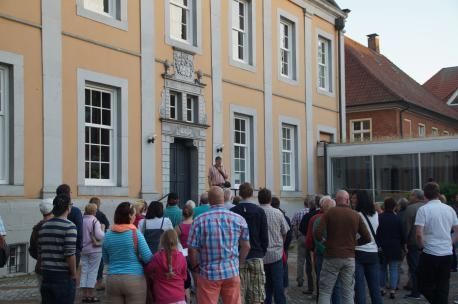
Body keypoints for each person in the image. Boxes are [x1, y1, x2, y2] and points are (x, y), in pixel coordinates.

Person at [188, 186, 250, 303]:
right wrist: (239, 264)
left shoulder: (199, 220)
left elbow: (192, 249)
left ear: (209, 201)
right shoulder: (238, 219)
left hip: (208, 273)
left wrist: (195, 267)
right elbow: (246, 246)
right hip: (231, 271)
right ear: (224, 198)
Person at [314, 190, 371, 304]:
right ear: (347, 200)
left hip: (331, 256)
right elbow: (368, 238)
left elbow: (317, 233)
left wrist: (325, 242)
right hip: (349, 257)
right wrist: (354, 244)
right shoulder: (355, 215)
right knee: (348, 292)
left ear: (336, 199)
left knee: (325, 291)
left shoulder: (329, 213)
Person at [415, 182, 458, 304]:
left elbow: (418, 233)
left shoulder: (423, 210)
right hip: (446, 253)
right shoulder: (449, 209)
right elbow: (457, 231)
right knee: (443, 285)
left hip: (429, 252)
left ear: (425, 195)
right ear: (438, 194)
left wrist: (421, 246)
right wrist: (451, 243)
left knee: (423, 284)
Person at [102, 202, 153, 304]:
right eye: (134, 214)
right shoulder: (136, 233)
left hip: (113, 279)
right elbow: (148, 258)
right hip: (134, 279)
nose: (135, 216)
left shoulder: (108, 235)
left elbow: (106, 260)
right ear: (130, 216)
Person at [231, 182, 269, 304]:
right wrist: (262, 251)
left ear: (240, 194)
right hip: (256, 254)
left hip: (238, 255)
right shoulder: (259, 211)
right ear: (252, 194)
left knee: (239, 294)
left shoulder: (233, 211)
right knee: (257, 295)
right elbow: (264, 236)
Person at [38, 194, 78, 304]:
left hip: (46, 274)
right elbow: (70, 254)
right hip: (63, 276)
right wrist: (74, 274)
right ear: (68, 207)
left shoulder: (44, 226)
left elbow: (41, 252)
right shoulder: (70, 226)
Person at [259, 188, 289, 304]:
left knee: (265, 286)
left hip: (262, 255)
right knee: (278, 286)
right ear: (270, 199)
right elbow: (285, 232)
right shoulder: (278, 213)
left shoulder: (257, 212)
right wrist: (280, 244)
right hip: (276, 254)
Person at [353, 190, 383, 304]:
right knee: (375, 287)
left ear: (360, 200)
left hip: (359, 251)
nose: (352, 200)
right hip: (373, 252)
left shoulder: (356, 215)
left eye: (355, 198)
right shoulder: (375, 214)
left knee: (359, 288)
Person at [310, 197, 341, 304]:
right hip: (334, 255)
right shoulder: (338, 220)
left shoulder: (318, 220)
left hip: (323, 255)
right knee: (336, 285)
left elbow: (317, 240)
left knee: (323, 285)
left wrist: (326, 248)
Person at [145, 229, 187, 304]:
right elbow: (184, 276)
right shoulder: (181, 257)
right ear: (176, 242)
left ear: (162, 242)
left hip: (162, 297)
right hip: (179, 297)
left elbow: (148, 271)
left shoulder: (156, 257)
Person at [377, 197, 404, 299]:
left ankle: (382, 288)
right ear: (394, 206)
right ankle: (393, 290)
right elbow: (402, 234)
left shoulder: (379, 217)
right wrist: (403, 245)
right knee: (393, 269)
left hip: (382, 246)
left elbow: (377, 232)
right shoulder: (397, 218)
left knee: (382, 268)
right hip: (395, 246)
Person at [402, 189, 425, 299]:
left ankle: (416, 292)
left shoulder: (411, 208)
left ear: (415, 196)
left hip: (414, 242)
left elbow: (407, 227)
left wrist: (404, 242)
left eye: (411, 195)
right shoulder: (427, 207)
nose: (410, 197)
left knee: (414, 268)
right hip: (427, 242)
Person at [80, 203, 105, 303]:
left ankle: (84, 295)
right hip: (94, 250)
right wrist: (102, 228)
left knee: (84, 271)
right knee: (93, 271)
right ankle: (90, 295)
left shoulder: (81, 220)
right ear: (95, 211)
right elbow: (100, 236)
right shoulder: (95, 220)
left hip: (84, 249)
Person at [56, 184, 83, 266]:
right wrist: (79, 248)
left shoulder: (53, 210)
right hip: (73, 250)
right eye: (70, 192)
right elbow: (80, 232)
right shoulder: (75, 211)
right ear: (68, 194)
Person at [298, 195, 321, 294]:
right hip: (324, 244)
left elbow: (302, 229)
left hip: (311, 243)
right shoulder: (328, 214)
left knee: (309, 264)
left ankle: (311, 288)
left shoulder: (310, 215)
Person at [29, 199, 54, 283]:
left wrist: (40, 257)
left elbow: (32, 249)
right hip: (56, 269)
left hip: (41, 267)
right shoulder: (57, 226)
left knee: (44, 295)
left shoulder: (36, 228)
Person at [89, 197, 110, 291]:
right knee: (100, 263)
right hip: (98, 241)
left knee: (89, 264)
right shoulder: (100, 214)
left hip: (88, 242)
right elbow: (107, 224)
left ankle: (89, 283)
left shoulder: (85, 216)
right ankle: (99, 282)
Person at [271, 196, 292, 289]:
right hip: (282, 246)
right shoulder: (284, 217)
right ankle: (284, 285)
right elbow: (289, 233)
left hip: (277, 246)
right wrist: (285, 245)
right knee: (284, 266)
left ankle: (278, 285)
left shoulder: (279, 216)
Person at [290, 196, 311, 288]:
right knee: (310, 260)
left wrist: (297, 234)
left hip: (301, 237)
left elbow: (293, 224)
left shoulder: (298, 212)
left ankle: (300, 279)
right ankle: (311, 281)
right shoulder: (312, 213)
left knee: (300, 260)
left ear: (304, 203)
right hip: (311, 238)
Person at [175, 205, 194, 302]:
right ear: (193, 213)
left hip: (183, 255)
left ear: (182, 214)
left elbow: (174, 242)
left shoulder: (178, 227)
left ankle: (188, 300)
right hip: (195, 254)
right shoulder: (196, 224)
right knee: (197, 281)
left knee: (185, 283)